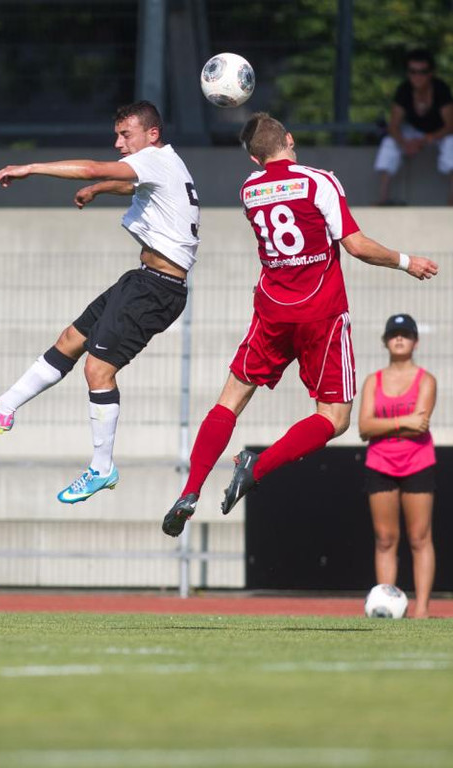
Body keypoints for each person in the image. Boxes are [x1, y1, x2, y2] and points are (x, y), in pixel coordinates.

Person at [162, 111, 438, 538]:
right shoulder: (319, 182)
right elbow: (356, 245)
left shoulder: (249, 190)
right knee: (334, 417)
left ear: (254, 159)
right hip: (321, 315)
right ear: (289, 139)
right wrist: (407, 261)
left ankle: (190, 489)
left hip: (272, 312)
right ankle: (257, 467)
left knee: (229, 400)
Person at [0, 100, 200, 504]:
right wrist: (100, 189)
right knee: (70, 339)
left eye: (126, 135)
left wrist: (30, 168)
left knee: (97, 369)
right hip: (142, 280)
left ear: (152, 134)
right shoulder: (163, 163)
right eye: (117, 135)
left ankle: (102, 468)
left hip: (157, 289)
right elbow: (126, 184)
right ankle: (4, 407)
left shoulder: (154, 159)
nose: (118, 143)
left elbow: (93, 168)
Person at [358, 314, 437, 619]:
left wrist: (383, 425)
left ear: (416, 341)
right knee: (385, 539)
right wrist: (404, 421)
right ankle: (387, 606)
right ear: (385, 342)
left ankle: (423, 609)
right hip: (380, 463)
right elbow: (364, 427)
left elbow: (421, 426)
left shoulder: (426, 380)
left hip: (418, 462)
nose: (399, 339)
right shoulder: (373, 381)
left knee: (419, 537)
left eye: (405, 334)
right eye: (394, 334)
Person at [374, 48, 453, 205]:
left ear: (431, 73)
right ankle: (382, 199)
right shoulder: (404, 90)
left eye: (423, 72)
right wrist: (404, 143)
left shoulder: (441, 89)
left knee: (451, 144)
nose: (417, 76)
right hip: (414, 132)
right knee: (389, 143)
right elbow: (394, 126)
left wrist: (426, 140)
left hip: (439, 133)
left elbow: (450, 125)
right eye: (412, 71)